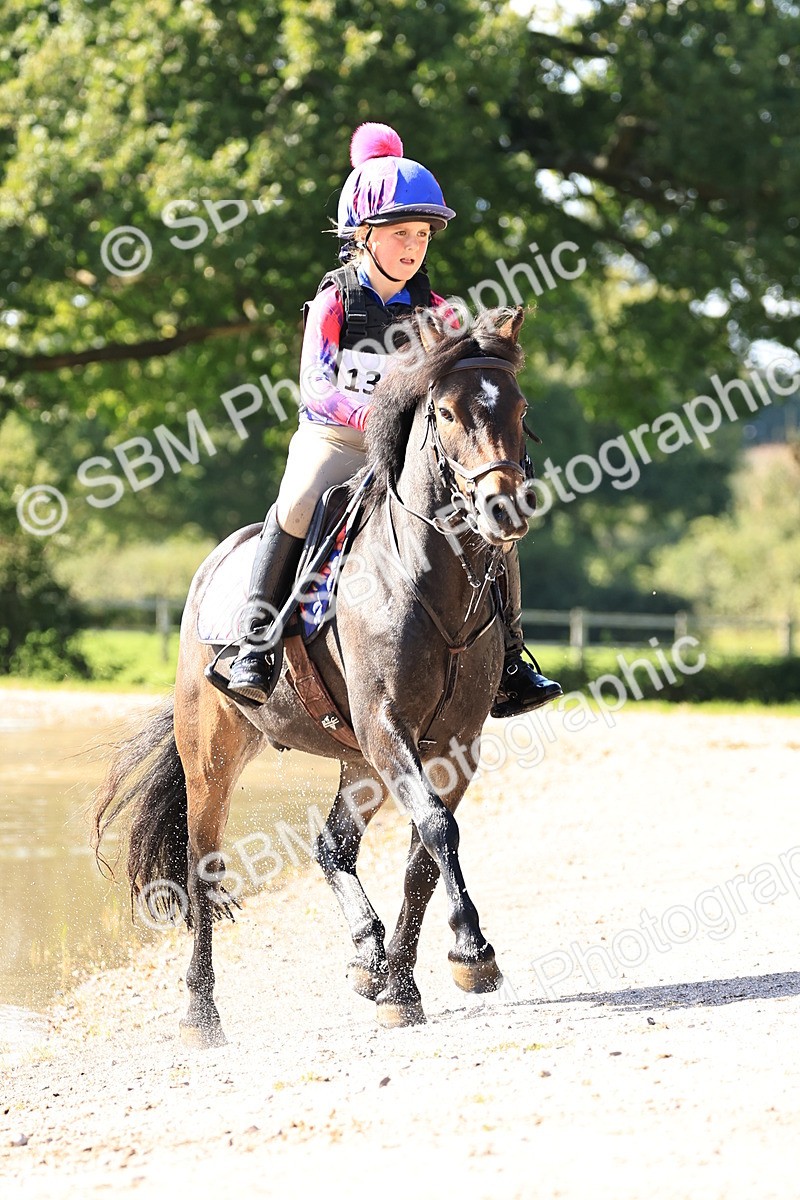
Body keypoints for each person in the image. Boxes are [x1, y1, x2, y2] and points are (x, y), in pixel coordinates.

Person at [227, 122, 562, 716]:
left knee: (496, 517)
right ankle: (255, 642)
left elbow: (463, 386)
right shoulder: (334, 302)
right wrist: (377, 407)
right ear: (364, 235)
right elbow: (315, 389)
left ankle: (510, 658)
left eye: (422, 236)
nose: (413, 247)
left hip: (407, 452)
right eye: (401, 233)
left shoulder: (438, 313)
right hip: (336, 439)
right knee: (301, 500)